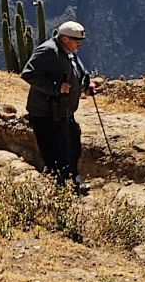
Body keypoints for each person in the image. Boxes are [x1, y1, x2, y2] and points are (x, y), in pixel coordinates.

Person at [22, 20, 97, 192]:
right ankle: (60, 189)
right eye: (76, 40)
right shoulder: (48, 50)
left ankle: (73, 183)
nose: (80, 43)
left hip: (64, 111)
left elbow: (77, 72)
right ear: (64, 38)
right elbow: (28, 74)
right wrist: (55, 87)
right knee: (54, 152)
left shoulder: (68, 51)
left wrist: (86, 85)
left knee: (72, 147)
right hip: (46, 113)